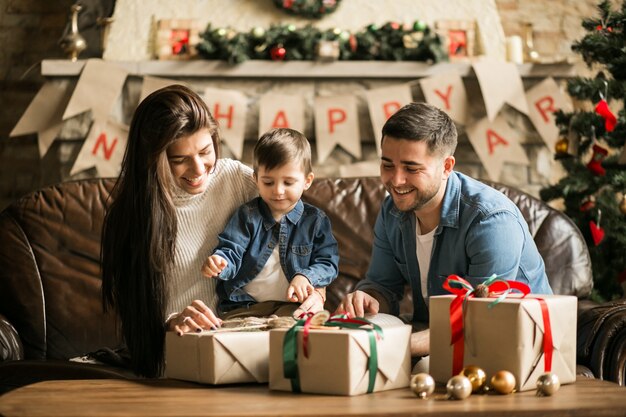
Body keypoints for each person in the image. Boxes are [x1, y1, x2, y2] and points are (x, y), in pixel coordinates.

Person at [101, 85, 324, 378]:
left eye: (206, 151)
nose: (198, 169)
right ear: (151, 158)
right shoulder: (130, 215)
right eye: (179, 159)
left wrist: (316, 290)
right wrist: (171, 321)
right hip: (181, 360)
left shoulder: (239, 181)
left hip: (251, 350)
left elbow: (307, 238)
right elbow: (136, 321)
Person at [335, 102, 553, 359]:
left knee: (415, 367)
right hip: (438, 334)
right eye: (387, 165)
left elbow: (481, 320)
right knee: (357, 336)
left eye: (411, 168)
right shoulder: (392, 211)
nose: (396, 181)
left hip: (512, 342)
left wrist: (393, 348)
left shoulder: (491, 220)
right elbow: (382, 285)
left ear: (447, 167)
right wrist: (366, 300)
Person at [202, 128, 339, 318]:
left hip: (291, 305)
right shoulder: (247, 215)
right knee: (239, 337)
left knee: (300, 330)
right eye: (268, 182)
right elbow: (231, 249)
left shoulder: (315, 220)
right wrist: (221, 262)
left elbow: (328, 262)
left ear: (307, 181)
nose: (278, 191)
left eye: (288, 182)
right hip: (244, 305)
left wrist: (306, 276)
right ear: (256, 179)